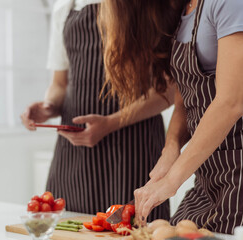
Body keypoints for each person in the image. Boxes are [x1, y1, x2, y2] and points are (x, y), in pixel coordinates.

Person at [99, 0, 243, 234]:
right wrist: (171, 149)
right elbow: (184, 102)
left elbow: (230, 104)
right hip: (208, 178)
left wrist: (171, 181)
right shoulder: (184, 9)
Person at [21, 0, 176, 220]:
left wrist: (112, 122)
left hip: (133, 150)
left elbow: (168, 91)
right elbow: (60, 83)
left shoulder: (149, 5)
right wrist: (47, 107)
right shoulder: (64, 6)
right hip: (74, 154)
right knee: (69, 229)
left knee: (135, 229)